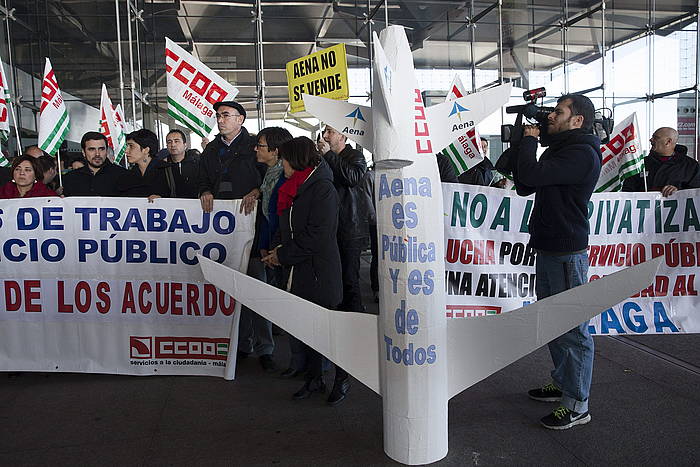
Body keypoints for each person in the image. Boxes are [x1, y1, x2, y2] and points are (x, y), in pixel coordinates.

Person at [511, 94, 602, 430]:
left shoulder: (581, 153)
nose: (551, 115)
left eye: (558, 112)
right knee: (552, 320)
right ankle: (563, 383)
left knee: (573, 327)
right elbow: (524, 184)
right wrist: (526, 139)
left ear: (577, 120)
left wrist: (531, 140)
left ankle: (577, 404)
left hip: (566, 252)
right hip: (550, 247)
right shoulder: (562, 149)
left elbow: (531, 176)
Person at [261, 136, 345, 405]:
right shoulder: (294, 187)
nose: (282, 162)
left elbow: (318, 235)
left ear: (295, 160)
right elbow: (286, 225)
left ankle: (342, 379)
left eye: (285, 158)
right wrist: (277, 249)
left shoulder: (322, 189)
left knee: (329, 331)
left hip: (320, 271)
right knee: (308, 329)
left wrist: (283, 254)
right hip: (299, 269)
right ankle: (314, 379)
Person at [246, 126, 293, 374]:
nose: (256, 149)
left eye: (261, 145)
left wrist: (273, 247)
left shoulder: (284, 177)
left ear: (275, 151)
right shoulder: (269, 176)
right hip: (269, 248)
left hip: (281, 249)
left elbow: (278, 217)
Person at [321, 125, 368, 313]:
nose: (325, 136)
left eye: (330, 132)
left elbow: (352, 177)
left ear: (343, 136)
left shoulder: (356, 157)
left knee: (350, 277)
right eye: (325, 131)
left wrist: (329, 156)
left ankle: (355, 316)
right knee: (334, 275)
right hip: (331, 224)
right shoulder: (326, 158)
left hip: (350, 226)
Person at [622, 127, 700, 196]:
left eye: (656, 138)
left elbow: (696, 194)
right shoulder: (641, 163)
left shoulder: (691, 166)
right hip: (644, 212)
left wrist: (678, 193)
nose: (651, 140)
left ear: (668, 142)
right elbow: (627, 192)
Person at [62, 132, 128, 197]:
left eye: (101, 149)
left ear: (106, 150)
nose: (97, 154)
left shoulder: (124, 176)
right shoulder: (70, 179)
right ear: (83, 152)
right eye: (92, 149)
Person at [121, 129, 180, 200]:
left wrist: (164, 201)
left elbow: (186, 199)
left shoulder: (169, 171)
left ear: (146, 150)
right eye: (127, 146)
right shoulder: (126, 176)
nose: (126, 151)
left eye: (131, 146)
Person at [164, 129, 200, 198]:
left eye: (176, 141)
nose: (173, 145)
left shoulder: (197, 163)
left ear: (185, 145)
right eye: (169, 142)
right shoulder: (163, 166)